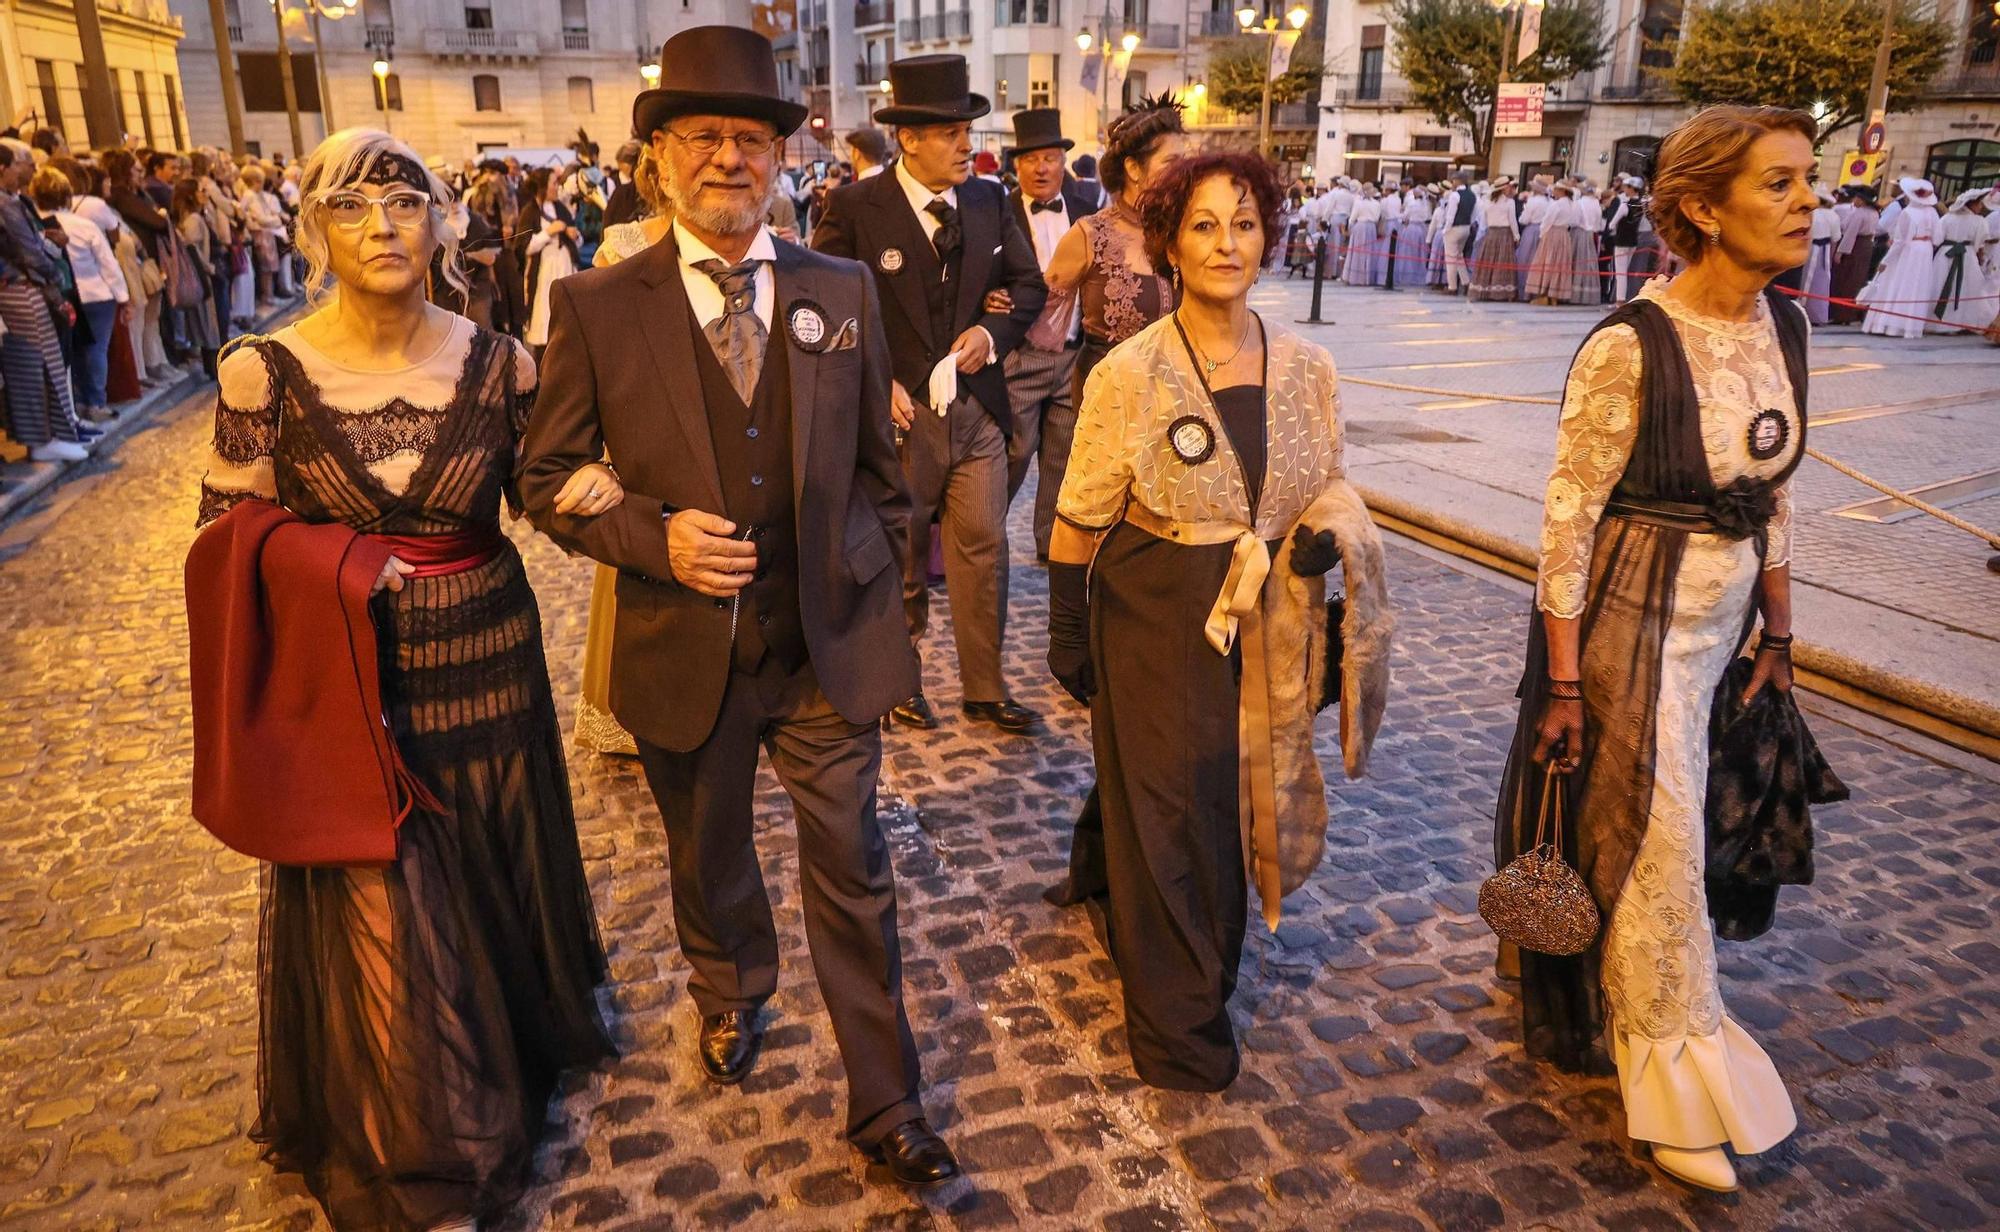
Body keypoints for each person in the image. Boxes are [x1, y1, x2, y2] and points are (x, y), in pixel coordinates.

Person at [519, 26, 961, 1187]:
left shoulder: (841, 288)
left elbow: (884, 464)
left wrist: (879, 581)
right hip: (686, 651)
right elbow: (544, 475)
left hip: (825, 650)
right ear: (657, 157)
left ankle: (885, 1093)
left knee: (854, 865)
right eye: (703, 136)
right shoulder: (598, 304)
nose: (730, 158)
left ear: (781, 158)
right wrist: (647, 537)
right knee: (708, 855)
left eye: (751, 138)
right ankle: (730, 986)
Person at [194, 126, 616, 1232]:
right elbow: (226, 540)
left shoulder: (501, 362)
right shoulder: (262, 369)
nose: (382, 226)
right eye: (351, 206)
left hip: (490, 670)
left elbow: (544, 491)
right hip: (353, 699)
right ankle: (433, 1169)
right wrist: (337, 562)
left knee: (483, 874)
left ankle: (499, 1062)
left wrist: (631, 509)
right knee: (388, 911)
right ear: (315, 232)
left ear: (440, 221)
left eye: (404, 201)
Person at [1496, 104, 1816, 1196]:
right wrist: (1563, 678)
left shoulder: (1789, 325)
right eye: (1776, 183)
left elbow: (1774, 493)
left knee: (1671, 832)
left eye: (1802, 179)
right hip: (1630, 621)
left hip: (1721, 629)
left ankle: (1649, 1030)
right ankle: (1669, 1076)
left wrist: (1778, 632)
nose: (1805, 200)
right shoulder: (1628, 344)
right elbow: (1565, 521)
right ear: (1698, 207)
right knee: (1657, 841)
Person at [1046, 151, 1390, 1090]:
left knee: (1235, 802)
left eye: (1243, 222)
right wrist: (1066, 629)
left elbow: (1327, 487)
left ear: (1267, 236)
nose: (1226, 243)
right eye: (1203, 224)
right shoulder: (1130, 370)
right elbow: (1079, 515)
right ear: (1169, 244)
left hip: (1269, 611)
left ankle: (1195, 958)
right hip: (1155, 603)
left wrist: (1321, 540)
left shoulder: (1309, 367)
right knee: (1170, 810)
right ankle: (1177, 1025)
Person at [811, 53, 1049, 735]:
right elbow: (819, 303)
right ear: (908, 138)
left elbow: (1029, 286)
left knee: (983, 548)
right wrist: (870, 376)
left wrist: (992, 330)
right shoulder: (856, 206)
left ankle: (985, 688)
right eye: (950, 132)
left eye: (967, 129)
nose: (966, 143)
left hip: (977, 410)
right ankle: (898, 680)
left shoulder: (988, 199)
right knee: (902, 553)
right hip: (900, 419)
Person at [991, 108, 1100, 563]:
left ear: (1063, 162)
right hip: (1021, 354)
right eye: (1031, 159)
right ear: (1017, 166)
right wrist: (987, 295)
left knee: (1061, 459)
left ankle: (1050, 546)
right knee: (1014, 452)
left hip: (1074, 355)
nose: (1040, 168)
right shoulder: (1000, 211)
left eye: (1050, 158)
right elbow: (980, 270)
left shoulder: (1086, 210)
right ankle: (982, 538)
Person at [0, 143, 88, 461]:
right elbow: (29, 250)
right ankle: (44, 439)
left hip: (18, 286)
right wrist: (54, 272)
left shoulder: (12, 201)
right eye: (17, 165)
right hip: (21, 287)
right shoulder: (6, 204)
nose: (25, 171)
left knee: (35, 365)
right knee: (39, 364)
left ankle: (46, 437)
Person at [30, 166, 126, 423]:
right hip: (96, 295)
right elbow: (107, 263)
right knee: (96, 350)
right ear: (66, 194)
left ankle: (72, 405)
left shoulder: (34, 227)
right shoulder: (84, 225)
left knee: (67, 353)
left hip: (59, 296)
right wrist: (123, 296)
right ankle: (94, 402)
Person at [1856, 177, 1939, 338]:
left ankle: (1889, 323)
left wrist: (1886, 261)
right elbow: (1938, 237)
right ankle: (1910, 326)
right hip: (1925, 251)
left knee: (1898, 283)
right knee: (1916, 287)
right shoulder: (1933, 212)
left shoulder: (1908, 213)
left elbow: (1901, 241)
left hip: (1909, 251)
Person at [519, 166, 581, 357]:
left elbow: (577, 239)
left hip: (564, 268)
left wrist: (574, 235)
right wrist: (549, 232)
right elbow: (524, 246)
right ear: (543, 187)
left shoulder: (560, 208)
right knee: (544, 315)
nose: (557, 187)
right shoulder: (530, 211)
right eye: (554, 183)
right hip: (544, 272)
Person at [168, 177, 223, 374]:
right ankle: (213, 364)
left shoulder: (194, 217)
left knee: (205, 321)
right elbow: (193, 249)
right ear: (191, 195)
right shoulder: (193, 220)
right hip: (201, 275)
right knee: (207, 321)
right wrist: (208, 267)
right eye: (200, 190)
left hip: (199, 275)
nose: (204, 194)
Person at [1928, 187, 1993, 334]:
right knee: (1967, 288)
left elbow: (1937, 239)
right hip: (1967, 255)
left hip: (1945, 256)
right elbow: (1979, 244)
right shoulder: (1979, 221)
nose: (1981, 207)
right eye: (1979, 204)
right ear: (1971, 204)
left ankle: (1936, 322)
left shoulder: (1947, 218)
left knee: (1940, 285)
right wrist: (1979, 256)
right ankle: (1962, 322)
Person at [1827, 184, 1879, 325]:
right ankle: (1852, 313)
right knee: (1858, 278)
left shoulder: (1859, 213)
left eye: (1856, 198)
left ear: (1861, 200)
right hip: (1866, 246)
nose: (1853, 200)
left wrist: (1840, 252)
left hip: (1855, 246)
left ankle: (1841, 314)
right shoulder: (1874, 213)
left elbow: (1850, 234)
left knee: (1846, 279)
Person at [1525, 181, 1579, 305]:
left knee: (1547, 262)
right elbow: (1574, 221)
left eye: (1556, 189)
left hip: (1552, 233)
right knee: (1560, 264)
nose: (1553, 191)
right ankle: (1555, 294)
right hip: (1564, 234)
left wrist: (1542, 234)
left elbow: (1547, 221)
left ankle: (1545, 293)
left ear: (1562, 191)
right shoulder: (1572, 204)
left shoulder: (1556, 205)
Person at [1469, 177, 1520, 301]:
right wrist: (1516, 236)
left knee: (1488, 262)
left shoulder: (1488, 203)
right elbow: (1513, 221)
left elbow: (1484, 222)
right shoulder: (1509, 202)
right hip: (1504, 234)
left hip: (1491, 234)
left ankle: (1484, 290)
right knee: (1502, 262)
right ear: (1504, 189)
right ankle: (1502, 292)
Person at [1799, 185, 1842, 326]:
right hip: (1825, 249)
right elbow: (1835, 237)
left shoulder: (1811, 214)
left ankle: (1803, 311)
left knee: (1806, 280)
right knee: (1821, 283)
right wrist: (1831, 254)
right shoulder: (1833, 215)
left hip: (1810, 248)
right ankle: (1818, 315)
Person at [1441, 170, 1478, 293]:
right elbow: (1474, 214)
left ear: (1457, 181)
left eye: (1453, 180)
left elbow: (1450, 215)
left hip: (1454, 228)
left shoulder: (1455, 195)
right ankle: (1466, 282)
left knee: (1450, 258)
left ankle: (1452, 287)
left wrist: (1446, 230)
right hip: (1466, 228)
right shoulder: (1472, 195)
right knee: (1459, 257)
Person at [1341, 184, 1383, 285]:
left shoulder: (1359, 203)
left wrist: (1350, 228)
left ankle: (1355, 277)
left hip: (1360, 226)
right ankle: (1367, 277)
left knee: (1358, 252)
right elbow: (1377, 218)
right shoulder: (1377, 204)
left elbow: (1352, 218)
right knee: (1369, 252)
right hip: (1371, 228)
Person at [1396, 182, 1432, 285]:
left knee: (1408, 253)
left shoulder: (1412, 204)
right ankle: (1418, 274)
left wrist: (1399, 214)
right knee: (1419, 254)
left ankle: (1407, 275)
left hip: (1411, 228)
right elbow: (1427, 217)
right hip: (1422, 229)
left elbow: (1405, 216)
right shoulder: (1427, 204)